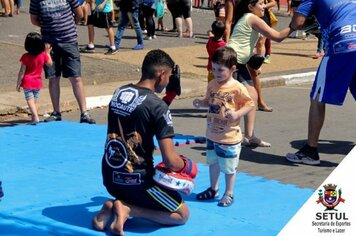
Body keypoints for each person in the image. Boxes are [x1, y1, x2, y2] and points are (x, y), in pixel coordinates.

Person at [93, 49, 196, 235]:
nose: (168, 81)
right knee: (182, 215)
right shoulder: (157, 106)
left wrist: (168, 98)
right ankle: (128, 209)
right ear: (161, 74)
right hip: (137, 181)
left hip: (110, 178)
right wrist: (187, 166)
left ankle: (111, 206)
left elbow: (143, 112)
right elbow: (170, 160)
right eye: (169, 76)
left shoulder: (120, 92)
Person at [286, 0, 356, 165]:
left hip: (341, 44)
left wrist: (304, 22)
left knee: (317, 97)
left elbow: (297, 22)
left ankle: (310, 151)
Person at [193, 46, 254, 207]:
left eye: (220, 70)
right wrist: (201, 103)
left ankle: (229, 193)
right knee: (213, 163)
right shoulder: (213, 84)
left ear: (233, 69)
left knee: (228, 168)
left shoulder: (237, 87)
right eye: (213, 69)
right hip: (212, 134)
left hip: (229, 137)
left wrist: (237, 114)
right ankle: (213, 189)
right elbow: (209, 101)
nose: (216, 73)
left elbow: (250, 104)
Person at [227, 0, 292, 147]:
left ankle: (249, 136)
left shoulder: (248, 17)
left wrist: (254, 59)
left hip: (239, 62)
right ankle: (224, 137)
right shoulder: (252, 18)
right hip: (230, 62)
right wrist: (294, 25)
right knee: (229, 101)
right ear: (250, 6)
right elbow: (278, 36)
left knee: (252, 96)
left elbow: (248, 43)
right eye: (261, 4)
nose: (264, 6)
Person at [30, 0, 96, 124]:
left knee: (76, 77)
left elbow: (79, 14)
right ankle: (56, 112)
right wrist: (47, 28)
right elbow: (34, 19)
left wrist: (70, 26)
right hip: (49, 43)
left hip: (69, 40)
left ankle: (84, 113)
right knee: (53, 77)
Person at [16, 32, 52, 125]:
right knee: (34, 100)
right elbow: (50, 64)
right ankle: (33, 117)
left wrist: (18, 82)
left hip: (28, 81)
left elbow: (22, 71)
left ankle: (35, 117)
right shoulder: (43, 55)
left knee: (29, 100)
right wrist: (48, 53)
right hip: (37, 81)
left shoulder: (26, 56)